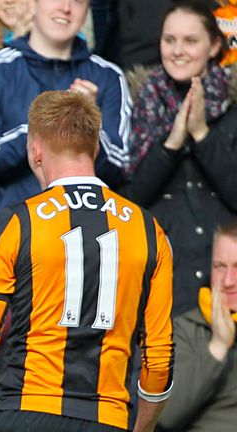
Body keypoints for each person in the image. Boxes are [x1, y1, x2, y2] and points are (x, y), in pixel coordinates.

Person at [0, 90, 174, 432]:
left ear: (35, 150)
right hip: (107, 418)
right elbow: (158, 359)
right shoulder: (149, 231)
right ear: (95, 148)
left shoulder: (17, 223)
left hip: (23, 411)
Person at [0, 0, 131, 251]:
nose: (66, 7)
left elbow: (120, 168)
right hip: (5, 244)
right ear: (32, 3)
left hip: (83, 248)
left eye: (78, 1)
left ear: (87, 13)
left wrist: (87, 122)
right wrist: (52, 123)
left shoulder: (108, 76)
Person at [122, 0, 237, 316]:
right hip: (167, 282)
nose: (177, 50)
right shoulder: (140, 108)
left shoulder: (232, 109)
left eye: (190, 40)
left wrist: (201, 134)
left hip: (225, 280)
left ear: (214, 46)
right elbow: (129, 201)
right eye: (169, 40)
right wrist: (171, 143)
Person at [156, 222, 237, 432]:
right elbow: (164, 414)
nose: (228, 281)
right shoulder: (185, 329)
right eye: (220, 266)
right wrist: (217, 346)